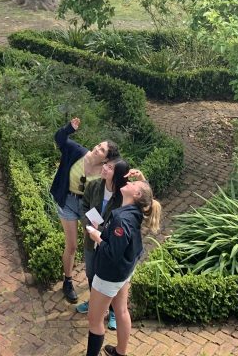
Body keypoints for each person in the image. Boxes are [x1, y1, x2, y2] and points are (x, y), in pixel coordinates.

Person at [84, 170, 162, 356]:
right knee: (121, 310)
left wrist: (97, 237)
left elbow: (112, 253)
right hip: (124, 271)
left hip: (109, 274)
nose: (129, 182)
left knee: (94, 320)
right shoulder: (134, 211)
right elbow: (146, 195)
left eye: (134, 184)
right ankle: (120, 352)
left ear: (136, 195)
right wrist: (104, 231)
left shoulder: (122, 219)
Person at [50, 117, 120, 303]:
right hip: (68, 202)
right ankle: (68, 280)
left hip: (88, 207)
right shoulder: (76, 151)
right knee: (72, 245)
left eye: (102, 150)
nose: (97, 149)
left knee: (94, 244)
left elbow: (119, 184)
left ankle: (97, 283)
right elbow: (59, 139)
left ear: (107, 158)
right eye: (98, 145)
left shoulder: (105, 171)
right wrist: (69, 128)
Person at [78, 158, 129, 330]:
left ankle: (113, 312)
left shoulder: (123, 195)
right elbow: (84, 206)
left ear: (118, 174)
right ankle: (94, 303)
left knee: (109, 277)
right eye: (105, 165)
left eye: (110, 167)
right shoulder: (94, 186)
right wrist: (87, 224)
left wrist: (101, 229)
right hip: (91, 239)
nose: (105, 169)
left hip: (109, 243)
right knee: (91, 272)